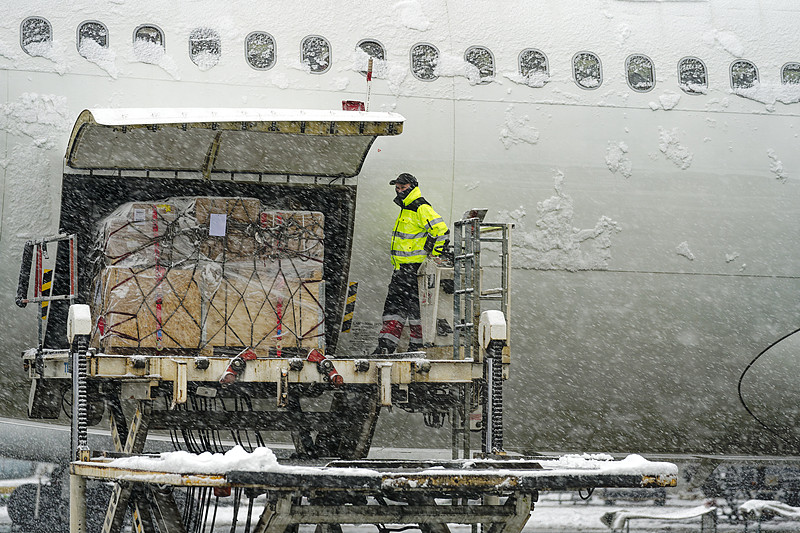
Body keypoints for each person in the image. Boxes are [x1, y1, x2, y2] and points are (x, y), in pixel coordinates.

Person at [372, 173, 449, 355]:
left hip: (414, 270)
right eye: (397, 188)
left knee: (408, 310)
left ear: (413, 187)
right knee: (399, 310)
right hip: (402, 269)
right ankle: (391, 346)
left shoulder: (420, 207)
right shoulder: (406, 208)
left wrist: (433, 258)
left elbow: (442, 231)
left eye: (403, 187)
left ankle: (408, 347)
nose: (399, 191)